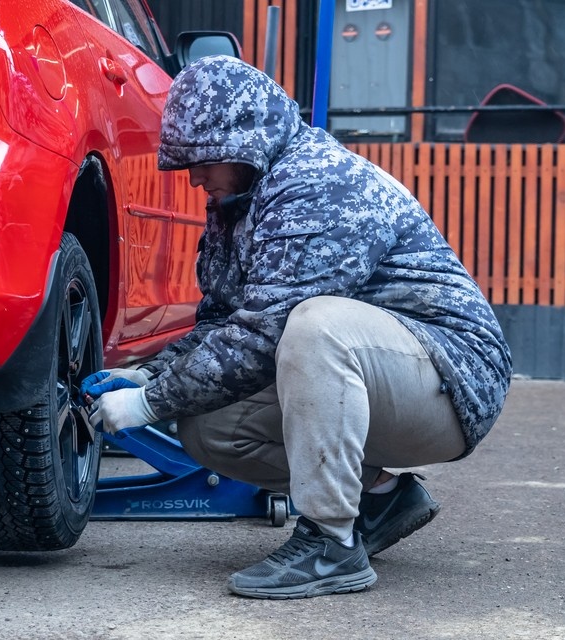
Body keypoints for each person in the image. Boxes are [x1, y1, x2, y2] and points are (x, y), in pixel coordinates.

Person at [80, 56, 511, 600]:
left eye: (203, 160)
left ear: (243, 141)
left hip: (449, 376)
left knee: (315, 325)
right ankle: (378, 499)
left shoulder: (317, 185)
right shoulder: (238, 201)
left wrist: (148, 405)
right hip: (381, 372)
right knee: (208, 425)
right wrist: (152, 378)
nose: (193, 178)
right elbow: (220, 322)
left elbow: (265, 333)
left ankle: (330, 544)